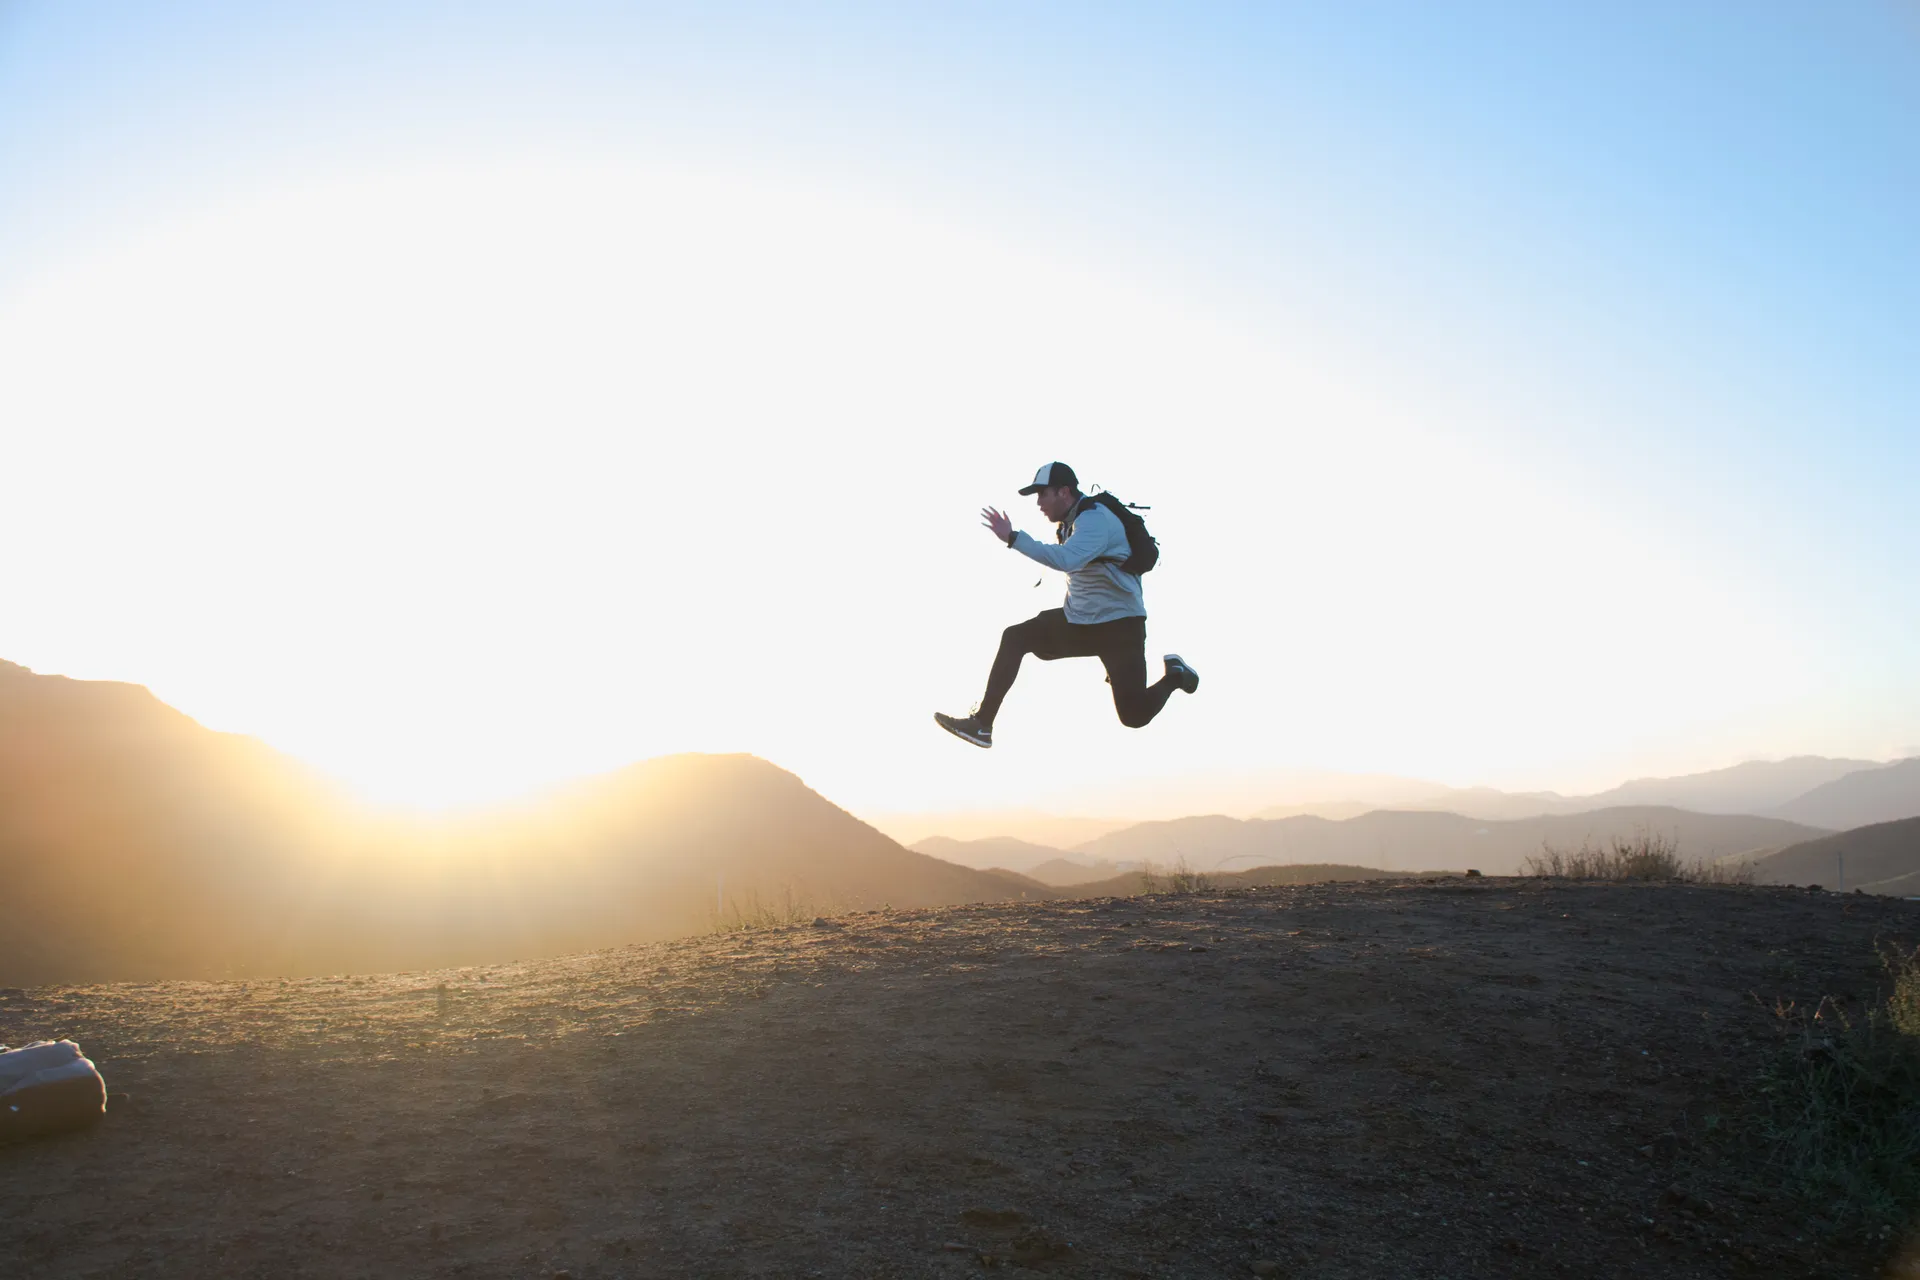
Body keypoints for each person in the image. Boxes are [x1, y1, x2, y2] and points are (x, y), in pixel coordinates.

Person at [935, 461, 1198, 748]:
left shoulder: (1095, 519)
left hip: (1119, 628)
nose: (1038, 503)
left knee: (1133, 716)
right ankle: (982, 725)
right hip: (1080, 623)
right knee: (1015, 637)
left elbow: (1067, 560)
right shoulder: (1070, 522)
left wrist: (1013, 538)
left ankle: (1174, 676)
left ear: (1064, 492)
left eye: (1042, 494)